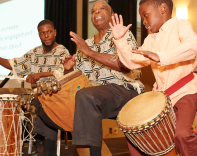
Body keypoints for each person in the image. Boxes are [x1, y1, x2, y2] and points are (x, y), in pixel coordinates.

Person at [109, 0, 197, 155]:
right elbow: (132, 61)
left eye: (146, 15)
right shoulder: (149, 40)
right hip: (161, 98)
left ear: (163, 8)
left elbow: (193, 47)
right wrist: (120, 41)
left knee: (182, 134)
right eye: (142, 18)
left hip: (185, 91)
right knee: (135, 132)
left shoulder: (181, 25)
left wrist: (160, 56)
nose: (144, 21)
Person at [60, 1, 144, 155]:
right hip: (97, 95)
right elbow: (77, 79)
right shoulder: (87, 43)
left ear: (112, 16)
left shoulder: (121, 35)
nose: (96, 12)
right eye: (93, 10)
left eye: (101, 8)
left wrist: (90, 52)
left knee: (86, 96)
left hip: (125, 89)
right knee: (50, 101)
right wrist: (69, 69)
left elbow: (126, 64)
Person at [0, 19, 70, 156]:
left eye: (49, 32)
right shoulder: (34, 52)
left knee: (34, 100)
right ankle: (5, 138)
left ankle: (41, 140)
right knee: (1, 93)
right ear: (39, 35)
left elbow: (62, 73)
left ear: (55, 32)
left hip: (53, 93)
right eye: (42, 33)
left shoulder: (62, 51)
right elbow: (14, 64)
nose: (46, 35)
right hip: (33, 91)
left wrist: (40, 75)